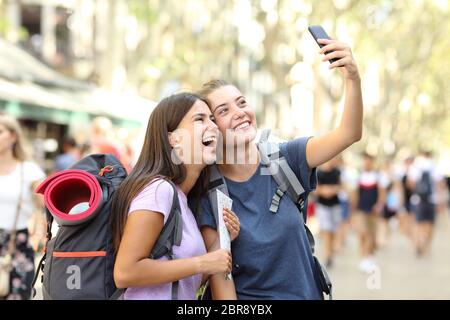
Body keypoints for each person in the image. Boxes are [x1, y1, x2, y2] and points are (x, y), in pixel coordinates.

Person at [195, 37, 363, 299]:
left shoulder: (287, 158)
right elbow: (221, 281)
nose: (239, 112)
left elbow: (349, 133)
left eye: (241, 102)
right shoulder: (210, 193)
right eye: (224, 110)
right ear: (210, 128)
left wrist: (352, 77)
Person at [111, 93, 240, 300]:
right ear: (173, 139)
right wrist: (203, 262)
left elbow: (185, 283)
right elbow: (125, 272)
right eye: (200, 119)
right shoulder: (158, 190)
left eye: (212, 119)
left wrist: (221, 243)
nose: (214, 126)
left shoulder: (182, 200)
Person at [0, 115, 46, 300]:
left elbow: (44, 203)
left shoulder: (28, 170)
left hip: (16, 245)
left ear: (13, 137)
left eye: (0, 131)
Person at [353, 153, 388, 272]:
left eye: (369, 161)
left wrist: (379, 204)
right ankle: (364, 257)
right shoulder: (358, 175)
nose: (366, 163)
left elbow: (382, 193)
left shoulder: (378, 176)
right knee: (363, 233)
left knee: (371, 235)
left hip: (373, 210)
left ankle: (369, 256)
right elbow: (355, 193)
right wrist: (352, 209)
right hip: (361, 209)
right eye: (365, 160)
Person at [407, 151, 444, 257]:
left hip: (418, 200)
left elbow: (410, 183)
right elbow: (440, 185)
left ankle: (419, 242)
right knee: (430, 224)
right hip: (432, 200)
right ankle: (426, 245)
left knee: (418, 223)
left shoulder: (416, 167)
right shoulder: (434, 166)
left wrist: (418, 190)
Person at [315, 157, 342, 268]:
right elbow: (315, 189)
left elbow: (340, 186)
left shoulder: (337, 172)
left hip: (335, 205)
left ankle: (330, 251)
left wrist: (332, 190)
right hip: (323, 205)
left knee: (333, 230)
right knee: (326, 230)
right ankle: (327, 255)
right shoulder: (319, 173)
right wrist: (324, 190)